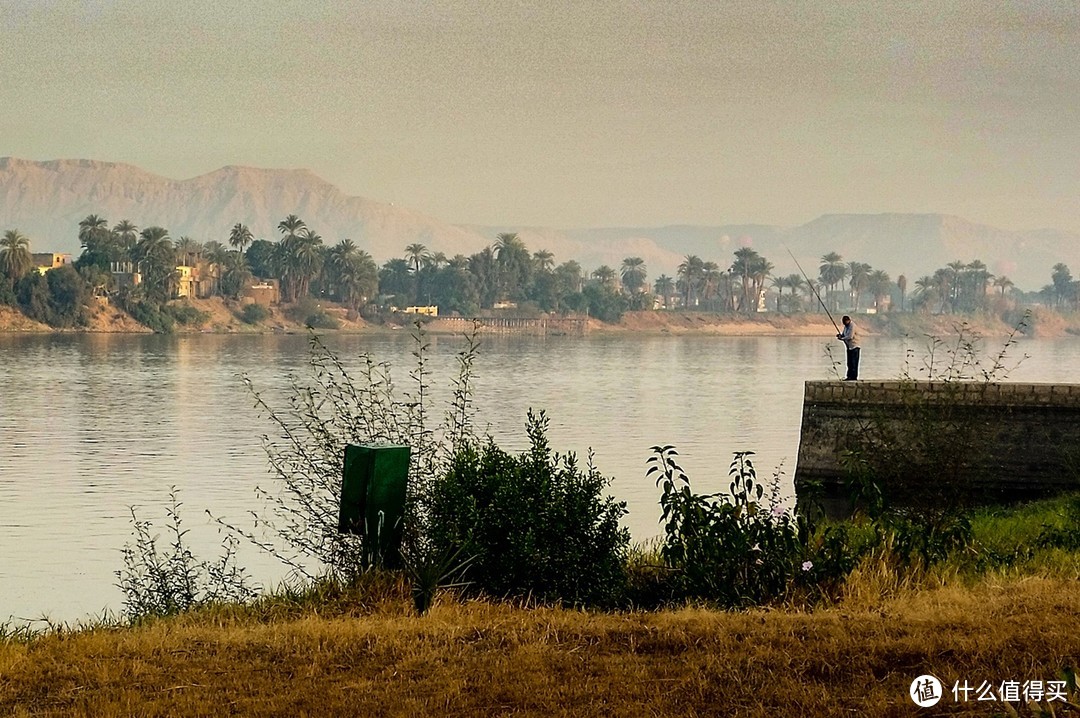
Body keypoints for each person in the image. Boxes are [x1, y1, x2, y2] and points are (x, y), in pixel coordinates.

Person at [837, 315, 860, 380]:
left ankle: (854, 377)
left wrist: (842, 339)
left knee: (854, 363)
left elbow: (850, 336)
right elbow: (844, 334)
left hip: (854, 347)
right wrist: (840, 336)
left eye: (845, 322)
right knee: (849, 363)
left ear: (848, 320)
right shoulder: (846, 327)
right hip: (849, 347)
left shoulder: (852, 326)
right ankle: (849, 376)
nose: (844, 324)